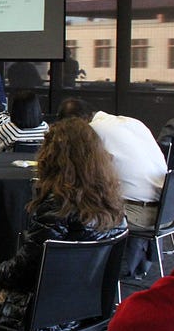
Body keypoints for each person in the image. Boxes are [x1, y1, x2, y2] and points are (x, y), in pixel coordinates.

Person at [0, 119, 126, 331]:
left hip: (36, 314)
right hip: (89, 310)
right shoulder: (113, 205)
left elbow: (26, 270)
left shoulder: (57, 207)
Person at [58, 98, 166, 279]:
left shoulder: (92, 131)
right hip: (167, 209)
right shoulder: (132, 122)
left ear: (78, 122)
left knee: (72, 205)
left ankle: (79, 271)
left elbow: (83, 175)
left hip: (136, 213)